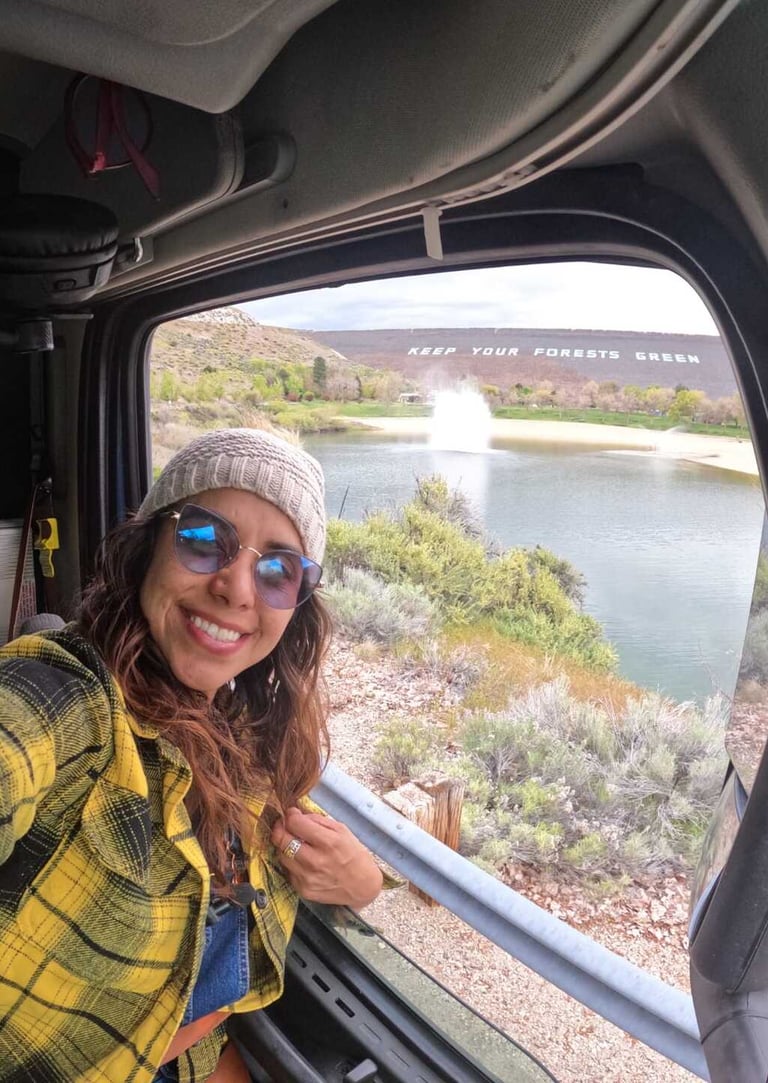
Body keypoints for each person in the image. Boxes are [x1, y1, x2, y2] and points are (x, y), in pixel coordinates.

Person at [0, 427, 383, 1082]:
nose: (237, 588)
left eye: (277, 570)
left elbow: (312, 839)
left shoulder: (242, 736)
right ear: (150, 543)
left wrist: (364, 881)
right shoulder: (70, 701)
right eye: (205, 540)